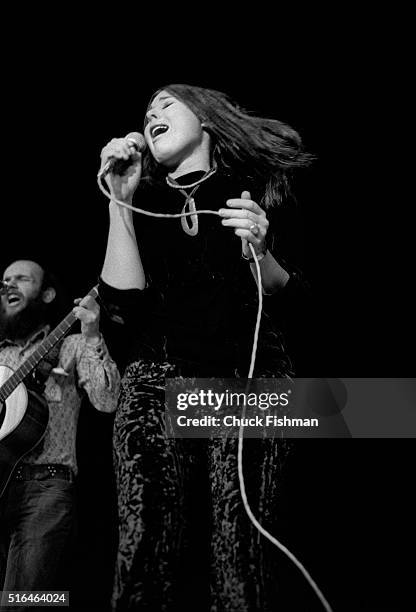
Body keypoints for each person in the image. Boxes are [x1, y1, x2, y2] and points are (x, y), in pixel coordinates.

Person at [98, 84, 312, 611]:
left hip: (246, 374)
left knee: (240, 541)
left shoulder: (258, 187)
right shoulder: (141, 197)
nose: (152, 115)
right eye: (147, 112)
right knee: (145, 539)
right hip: (158, 378)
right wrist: (119, 204)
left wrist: (260, 250)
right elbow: (122, 303)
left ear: (207, 121)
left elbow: (292, 294)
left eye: (166, 105)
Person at [0, 259, 120, 605]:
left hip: (45, 488)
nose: (8, 285)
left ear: (47, 293)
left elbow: (107, 400)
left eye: (21, 279)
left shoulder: (71, 345)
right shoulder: (2, 355)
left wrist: (93, 334)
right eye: (5, 279)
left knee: (28, 600)